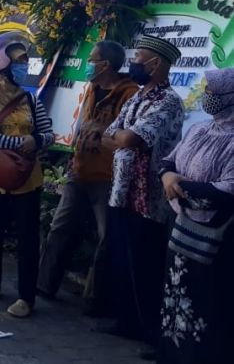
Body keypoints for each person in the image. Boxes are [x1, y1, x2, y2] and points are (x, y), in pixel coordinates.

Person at [37, 40, 137, 313]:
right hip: (79, 170)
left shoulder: (129, 94)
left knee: (107, 238)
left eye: (93, 59)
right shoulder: (92, 88)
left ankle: (98, 300)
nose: (89, 64)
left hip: (108, 178)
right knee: (60, 227)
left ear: (105, 64)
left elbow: (126, 137)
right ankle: (44, 284)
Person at [101, 35, 184, 347]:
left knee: (145, 264)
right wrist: (120, 138)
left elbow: (130, 140)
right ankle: (125, 321)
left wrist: (121, 138)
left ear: (155, 63)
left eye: (139, 57)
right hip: (121, 190)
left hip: (147, 196)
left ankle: (149, 331)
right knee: (122, 258)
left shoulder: (169, 101)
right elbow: (111, 135)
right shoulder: (137, 96)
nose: (133, 63)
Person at [0, 32, 54, 319]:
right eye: (18, 62)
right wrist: (24, 143)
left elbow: (49, 133)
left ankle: (26, 298)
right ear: (2, 67)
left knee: (28, 239)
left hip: (28, 178)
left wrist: (39, 140)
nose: (23, 67)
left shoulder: (31, 100)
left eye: (25, 62)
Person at [157, 68, 234, 364]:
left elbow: (227, 190)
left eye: (214, 93)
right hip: (181, 229)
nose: (208, 97)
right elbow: (168, 160)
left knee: (207, 304)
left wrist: (179, 185)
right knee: (175, 295)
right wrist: (168, 177)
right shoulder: (200, 128)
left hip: (217, 238)